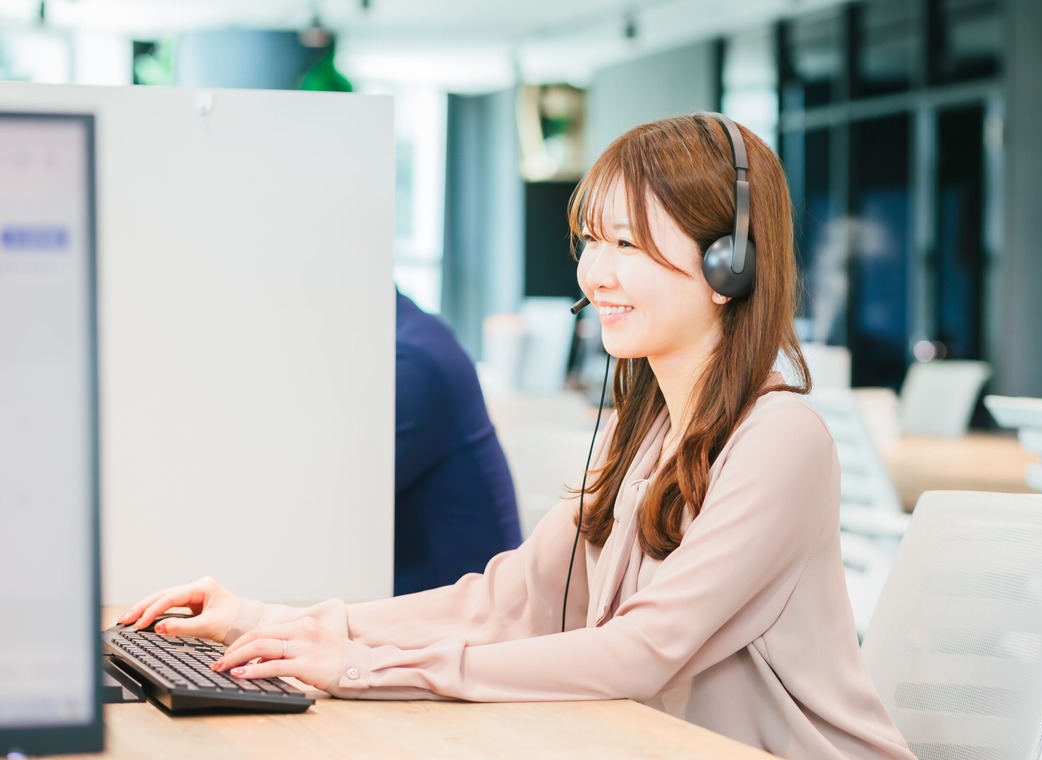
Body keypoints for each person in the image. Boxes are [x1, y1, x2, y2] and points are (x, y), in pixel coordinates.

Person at [120, 114, 915, 759]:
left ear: (727, 264)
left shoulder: (781, 440)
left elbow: (642, 652)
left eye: (627, 245)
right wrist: (271, 622)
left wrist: (365, 669)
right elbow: (512, 600)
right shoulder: (647, 435)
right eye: (591, 242)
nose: (593, 274)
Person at [393, 290, 522, 595]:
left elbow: (343, 496)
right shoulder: (411, 330)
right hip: (444, 590)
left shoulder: (412, 359)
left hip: (463, 601)